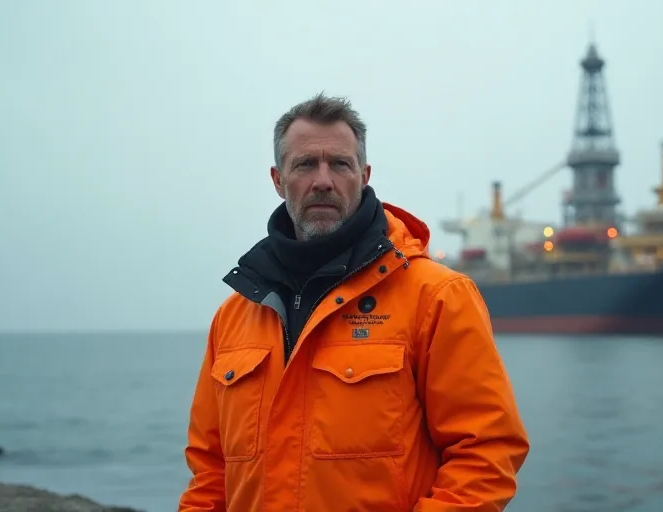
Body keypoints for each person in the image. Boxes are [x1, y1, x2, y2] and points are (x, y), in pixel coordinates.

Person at [178, 93, 529, 512]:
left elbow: (487, 453)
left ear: (363, 175)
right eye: (306, 164)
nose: (323, 180)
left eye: (340, 164)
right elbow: (209, 472)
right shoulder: (234, 317)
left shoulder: (435, 297)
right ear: (277, 179)